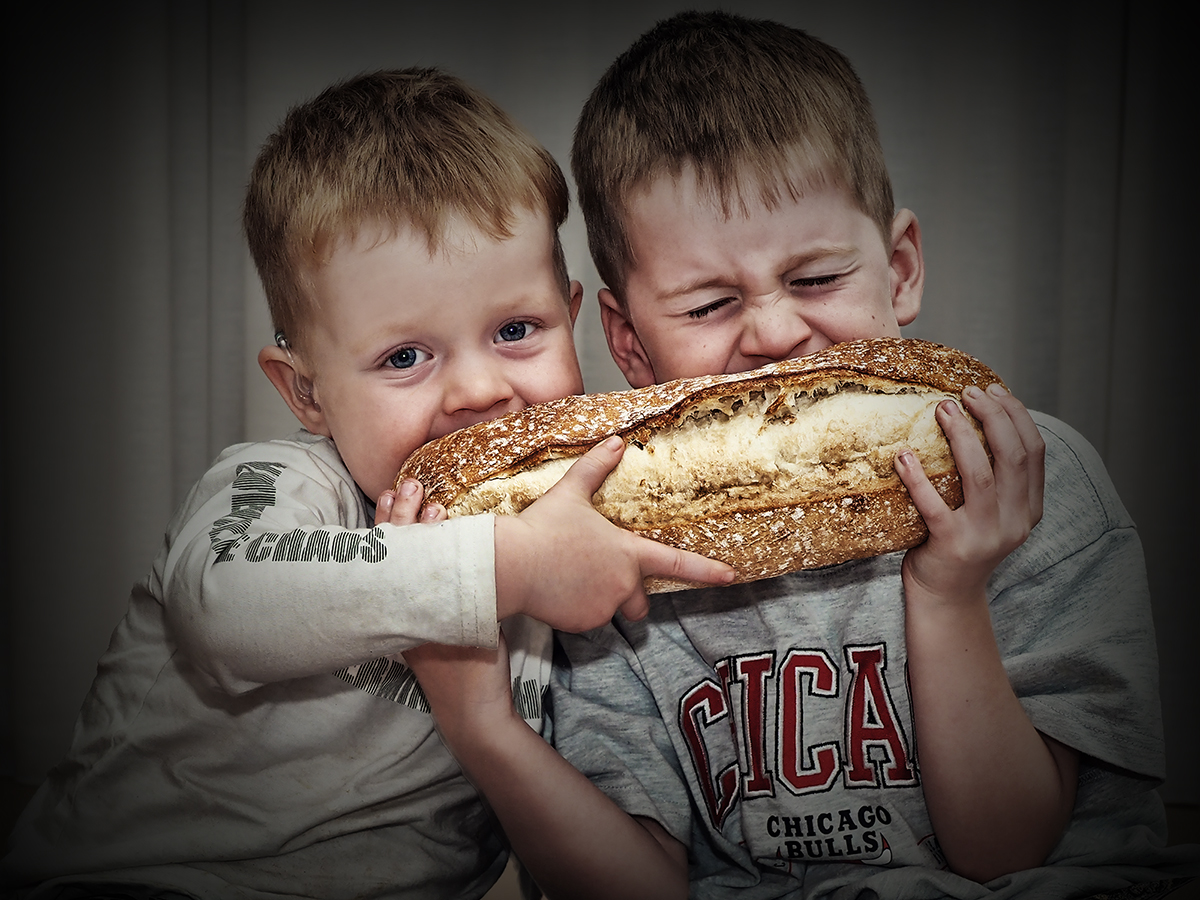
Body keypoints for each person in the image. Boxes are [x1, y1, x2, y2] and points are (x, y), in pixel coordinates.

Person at [405, 12, 1200, 900]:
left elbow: (1008, 848)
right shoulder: (593, 554)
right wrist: (479, 718)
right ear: (627, 344)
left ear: (898, 269)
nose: (778, 333)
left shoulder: (1033, 482)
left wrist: (949, 592)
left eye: (817, 280)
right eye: (708, 305)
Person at [0, 68, 731, 900]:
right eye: (405, 358)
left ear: (571, 318)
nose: (478, 391)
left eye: (516, 330)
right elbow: (227, 607)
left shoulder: (576, 529)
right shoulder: (280, 482)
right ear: (306, 391)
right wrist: (514, 565)